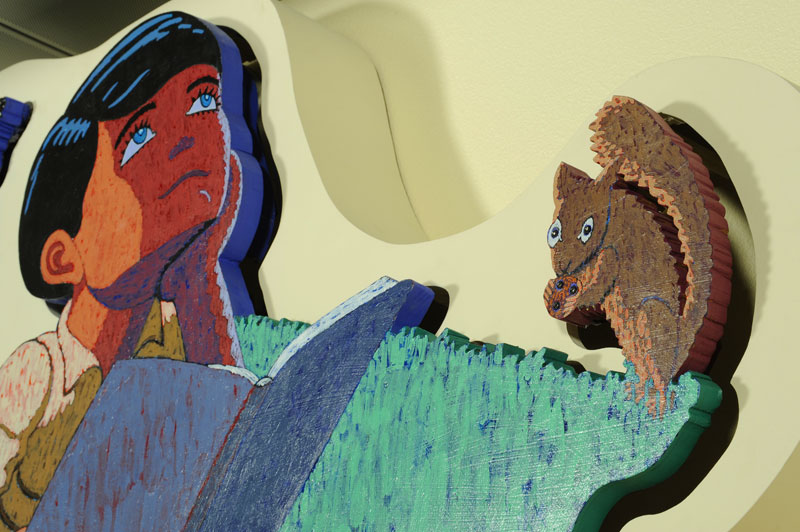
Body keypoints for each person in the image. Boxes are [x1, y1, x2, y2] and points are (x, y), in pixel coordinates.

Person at [0, 12, 278, 531]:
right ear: (63, 256)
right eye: (139, 136)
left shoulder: (174, 329)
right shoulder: (36, 373)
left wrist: (199, 270)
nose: (186, 137)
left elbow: (228, 443)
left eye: (202, 101)